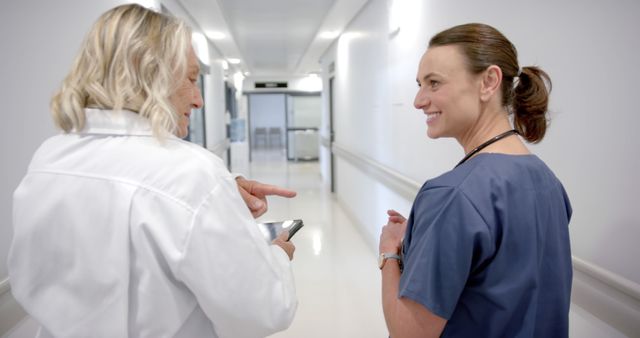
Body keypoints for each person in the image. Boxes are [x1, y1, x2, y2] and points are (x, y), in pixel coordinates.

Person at [8, 4, 298, 337]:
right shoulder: (191, 172)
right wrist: (277, 254)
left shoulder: (49, 158)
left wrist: (221, 194)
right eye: (191, 79)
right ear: (150, 74)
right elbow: (264, 312)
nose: (199, 100)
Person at [379, 23, 572, 337]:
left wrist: (389, 252)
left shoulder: (453, 195)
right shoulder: (547, 181)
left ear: (488, 82)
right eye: (419, 84)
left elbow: (407, 333)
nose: (418, 100)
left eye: (434, 83)